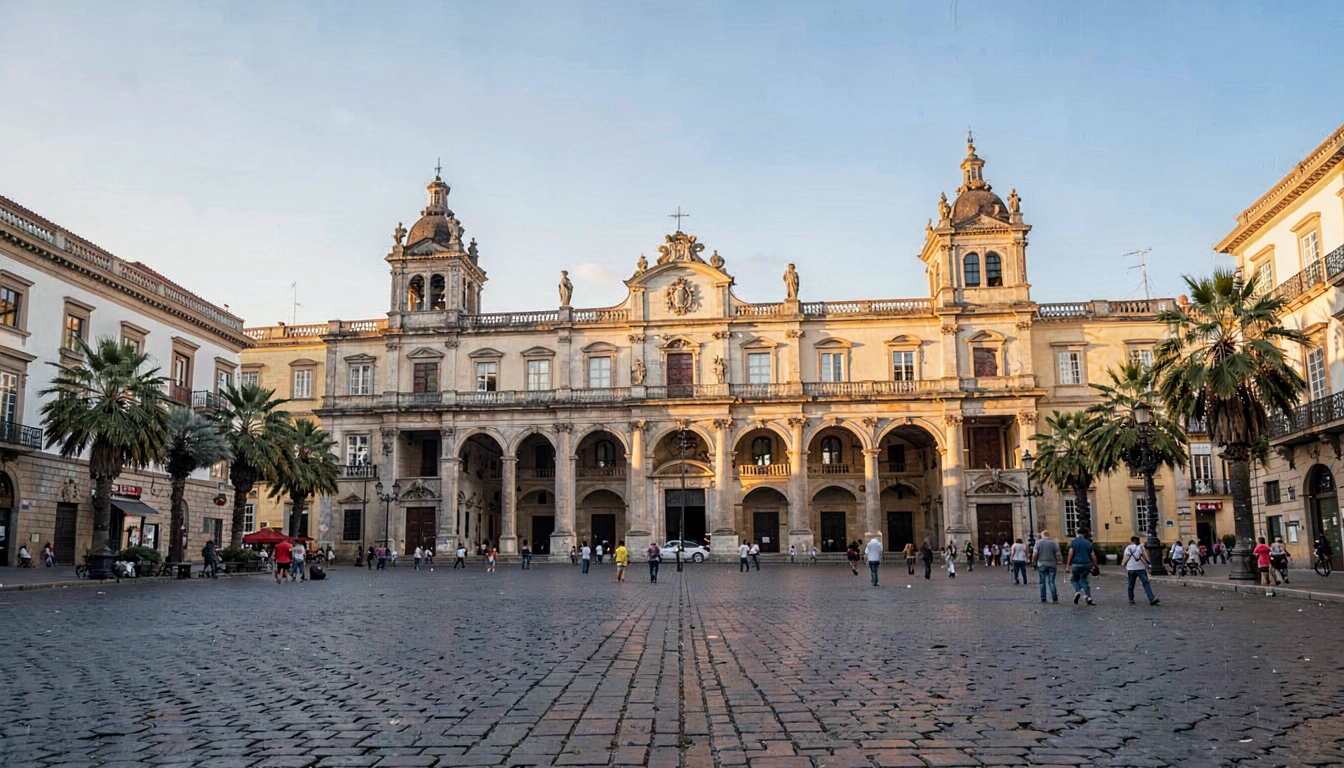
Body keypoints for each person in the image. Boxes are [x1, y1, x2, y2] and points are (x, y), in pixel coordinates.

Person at [1122, 536, 1159, 605]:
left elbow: (1126, 556)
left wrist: (1123, 563)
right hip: (1141, 568)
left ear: (1131, 541)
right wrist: (1149, 565)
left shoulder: (1128, 547)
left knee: (1131, 584)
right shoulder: (1141, 547)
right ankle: (1151, 598)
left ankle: (1131, 599)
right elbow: (1145, 556)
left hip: (1131, 568)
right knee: (1146, 583)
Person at [1068, 532, 1097, 606]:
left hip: (1076, 564)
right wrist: (1095, 566)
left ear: (1077, 535)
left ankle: (1078, 591)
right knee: (1084, 579)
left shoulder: (1074, 542)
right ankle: (1088, 596)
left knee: (1074, 579)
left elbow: (1071, 553)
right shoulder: (1088, 543)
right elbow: (1093, 556)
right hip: (1087, 564)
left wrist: (1068, 564)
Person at [1032, 530, 1060, 603]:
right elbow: (1058, 554)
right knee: (1051, 582)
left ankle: (1043, 597)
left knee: (1042, 582)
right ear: (1048, 535)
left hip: (1041, 564)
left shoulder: (1038, 543)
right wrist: (1059, 561)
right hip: (1052, 564)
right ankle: (1055, 598)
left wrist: (1033, 561)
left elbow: (1035, 553)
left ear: (1042, 535)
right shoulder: (1054, 543)